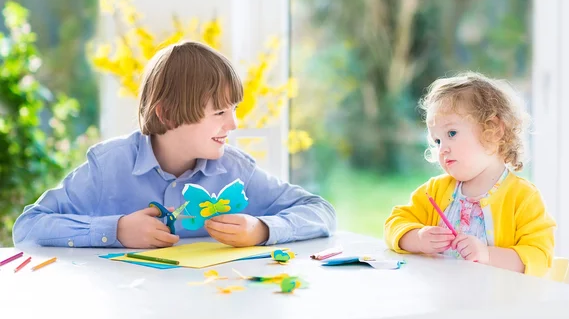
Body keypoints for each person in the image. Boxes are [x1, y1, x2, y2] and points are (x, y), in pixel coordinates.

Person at [13, 41, 336, 249]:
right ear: (166, 114)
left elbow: (321, 212)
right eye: (219, 112)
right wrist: (116, 230)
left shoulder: (235, 170)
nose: (233, 124)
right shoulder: (109, 166)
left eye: (234, 110)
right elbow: (28, 227)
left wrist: (263, 229)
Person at [384, 72, 555, 277]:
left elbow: (539, 256)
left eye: (451, 134)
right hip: (442, 302)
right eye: (437, 141)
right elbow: (394, 223)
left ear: (494, 130)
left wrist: (487, 255)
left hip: (497, 306)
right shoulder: (435, 190)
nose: (442, 149)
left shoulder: (523, 198)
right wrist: (417, 238)